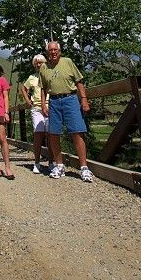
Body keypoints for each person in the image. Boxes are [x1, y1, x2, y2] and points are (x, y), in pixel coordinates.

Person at [39, 41, 94, 182]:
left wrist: (84, 99)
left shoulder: (68, 62)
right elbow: (43, 88)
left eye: (55, 49)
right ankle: (59, 165)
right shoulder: (44, 67)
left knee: (77, 132)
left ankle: (84, 168)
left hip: (70, 99)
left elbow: (79, 81)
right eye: (50, 50)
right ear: (47, 53)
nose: (53, 52)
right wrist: (44, 105)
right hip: (54, 101)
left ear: (59, 51)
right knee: (53, 133)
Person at [21, 54, 54, 174]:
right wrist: (27, 100)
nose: (39, 64)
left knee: (51, 136)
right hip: (36, 108)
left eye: (40, 62)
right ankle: (37, 163)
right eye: (37, 63)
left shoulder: (50, 75)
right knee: (38, 134)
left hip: (50, 107)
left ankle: (51, 163)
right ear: (34, 65)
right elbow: (23, 88)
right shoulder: (32, 77)